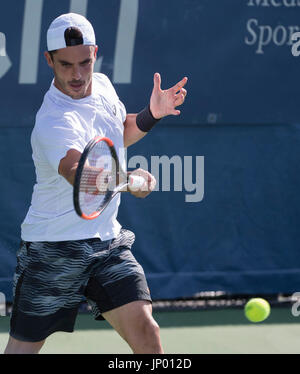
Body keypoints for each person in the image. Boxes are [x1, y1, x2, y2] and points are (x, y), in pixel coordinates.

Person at [4, 13, 187, 354]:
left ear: (95, 55)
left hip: (106, 244)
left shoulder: (101, 84)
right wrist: (128, 180)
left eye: (85, 63)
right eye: (65, 65)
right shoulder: (54, 120)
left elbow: (118, 133)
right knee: (22, 350)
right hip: (52, 248)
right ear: (49, 60)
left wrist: (152, 115)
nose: (77, 74)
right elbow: (77, 172)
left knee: (147, 333)